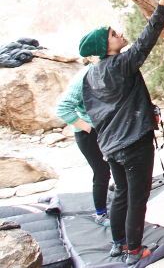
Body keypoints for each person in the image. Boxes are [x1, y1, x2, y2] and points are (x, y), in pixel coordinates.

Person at [80, 0, 164, 265]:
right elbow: (146, 42)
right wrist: (161, 6)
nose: (119, 34)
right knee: (137, 197)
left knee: (122, 193)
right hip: (133, 143)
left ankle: (117, 244)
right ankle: (134, 250)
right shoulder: (120, 65)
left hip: (110, 146)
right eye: (113, 34)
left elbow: (97, 110)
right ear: (105, 46)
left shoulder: (91, 75)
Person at [55, 64, 111, 227]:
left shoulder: (108, 70)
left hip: (104, 129)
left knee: (115, 166)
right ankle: (100, 213)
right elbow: (63, 109)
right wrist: (88, 128)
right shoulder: (85, 77)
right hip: (88, 134)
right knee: (102, 172)